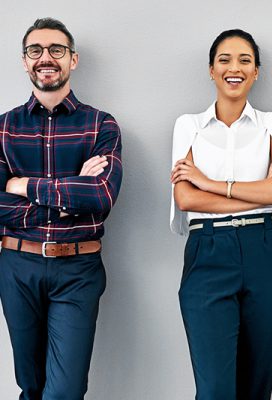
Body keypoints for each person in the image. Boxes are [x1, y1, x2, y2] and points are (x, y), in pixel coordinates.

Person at [170, 29, 272, 400]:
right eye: (224, 59)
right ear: (211, 69)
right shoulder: (189, 126)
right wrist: (259, 193)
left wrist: (210, 183)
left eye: (245, 60)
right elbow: (185, 199)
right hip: (207, 252)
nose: (234, 67)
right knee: (215, 391)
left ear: (256, 71)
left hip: (266, 250)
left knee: (256, 389)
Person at [0, 18, 122, 400]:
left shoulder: (101, 125)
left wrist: (23, 186)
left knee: (63, 392)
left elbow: (101, 196)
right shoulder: (3, 129)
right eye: (35, 50)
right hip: (17, 268)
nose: (45, 58)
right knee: (31, 387)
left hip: (77, 268)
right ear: (24, 61)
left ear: (73, 60)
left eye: (56, 50)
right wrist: (67, 201)